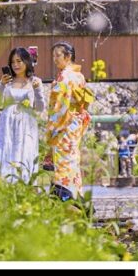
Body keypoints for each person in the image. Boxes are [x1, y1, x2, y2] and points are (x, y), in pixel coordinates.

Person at [44, 42, 94, 201]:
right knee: (72, 160)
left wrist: (51, 129)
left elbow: (60, 107)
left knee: (64, 162)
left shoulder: (65, 76)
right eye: (53, 56)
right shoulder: (79, 75)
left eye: (57, 55)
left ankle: (65, 197)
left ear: (68, 56)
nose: (54, 59)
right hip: (75, 123)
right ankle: (75, 194)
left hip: (64, 123)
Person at [0, 47, 46, 183]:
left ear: (27, 62)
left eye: (19, 61)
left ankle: (25, 185)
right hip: (8, 122)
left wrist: (38, 90)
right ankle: (3, 185)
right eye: (13, 62)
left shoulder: (35, 81)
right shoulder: (7, 81)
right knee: (7, 150)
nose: (15, 65)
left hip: (26, 124)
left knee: (25, 152)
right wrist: (1, 86)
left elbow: (40, 107)